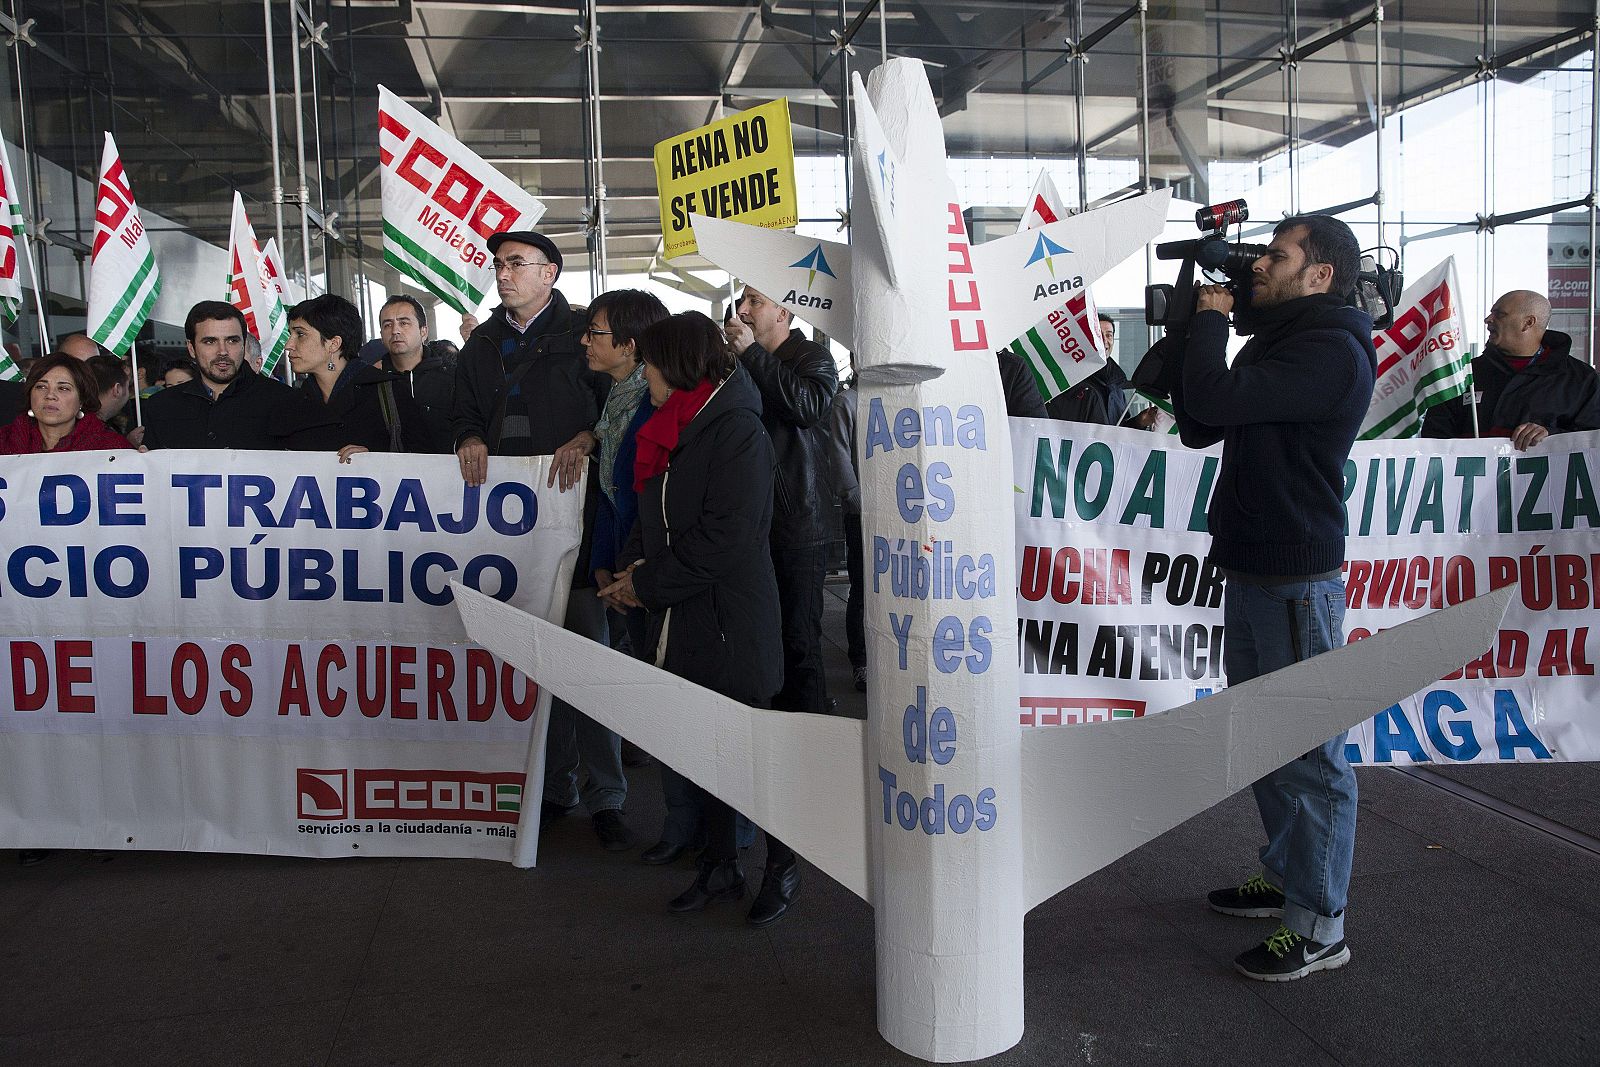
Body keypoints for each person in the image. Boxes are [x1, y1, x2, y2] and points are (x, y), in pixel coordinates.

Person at [1169, 214, 1376, 982]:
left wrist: (1213, 325)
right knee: (1262, 736)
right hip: (1257, 566)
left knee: (1311, 751)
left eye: (1277, 255)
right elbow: (1201, 420)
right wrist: (1201, 323)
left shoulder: (1331, 350)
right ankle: (1288, 875)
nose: (1260, 264)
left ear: (1320, 274)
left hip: (1295, 577)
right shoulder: (1285, 341)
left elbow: (1216, 398)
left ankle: (1320, 923)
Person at [599, 311, 797, 925]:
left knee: (754, 756)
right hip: (689, 617)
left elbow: (727, 537)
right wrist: (632, 565)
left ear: (679, 365)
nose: (645, 372)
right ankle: (720, 867)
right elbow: (653, 511)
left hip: (730, 620)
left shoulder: (736, 428)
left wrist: (646, 584)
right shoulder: (678, 422)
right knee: (706, 752)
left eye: (652, 362)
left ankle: (782, 867)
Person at [451, 229, 628, 850]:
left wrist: (590, 436)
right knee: (534, 662)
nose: (504, 274)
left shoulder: (583, 337)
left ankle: (609, 793)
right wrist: (469, 436)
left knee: (589, 658)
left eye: (517, 264)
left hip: (575, 522)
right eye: (499, 265)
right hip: (507, 529)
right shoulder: (481, 346)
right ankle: (557, 789)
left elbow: (618, 405)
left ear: (550, 273)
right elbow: (464, 408)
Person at [726, 286, 839, 713]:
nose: (743, 309)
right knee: (759, 634)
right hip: (752, 515)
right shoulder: (738, 360)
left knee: (799, 639)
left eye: (755, 301)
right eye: (743, 301)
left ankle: (811, 737)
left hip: (797, 520)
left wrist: (753, 355)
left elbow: (806, 406)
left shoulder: (811, 357)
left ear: (785, 311)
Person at [1420, 289, 1600, 448]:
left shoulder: (1582, 380)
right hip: (1469, 485)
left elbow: (1593, 441)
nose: (1487, 320)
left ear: (1528, 323)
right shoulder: (1464, 374)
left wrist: (1550, 436)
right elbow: (1434, 438)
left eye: (1499, 314)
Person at [275, 294, 429, 458]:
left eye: (300, 334)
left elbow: (423, 463)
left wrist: (376, 460)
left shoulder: (390, 393)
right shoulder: (290, 403)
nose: (288, 345)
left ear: (334, 343)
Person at [140, 301, 294, 450]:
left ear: (243, 344)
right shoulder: (160, 407)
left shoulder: (286, 402)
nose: (222, 351)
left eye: (232, 340)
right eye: (210, 341)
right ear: (191, 348)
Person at [0, 352, 131, 453]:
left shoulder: (112, 448)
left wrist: (144, 463)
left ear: (82, 399)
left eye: (63, 388)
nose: (50, 395)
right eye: (41, 387)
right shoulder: (4, 442)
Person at [376, 294, 455, 453]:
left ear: (423, 331)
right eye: (387, 325)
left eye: (404, 323)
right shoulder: (371, 383)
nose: (395, 331)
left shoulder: (453, 378)